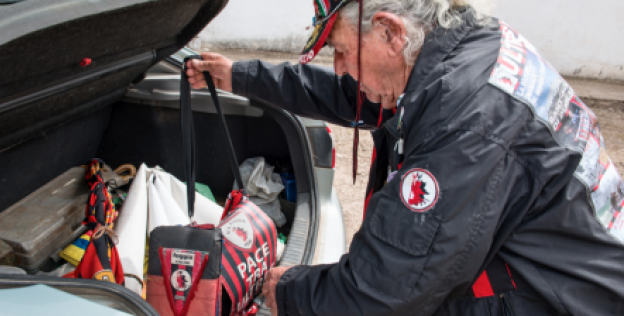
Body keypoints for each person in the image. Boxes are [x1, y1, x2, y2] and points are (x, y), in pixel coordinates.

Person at [186, 0, 624, 315]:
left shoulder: (466, 114)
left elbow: (391, 290)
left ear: (391, 33)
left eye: (341, 49)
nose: (339, 66)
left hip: (565, 296)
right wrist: (238, 76)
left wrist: (293, 292)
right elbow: (345, 95)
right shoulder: (454, 51)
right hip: (559, 262)